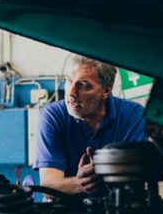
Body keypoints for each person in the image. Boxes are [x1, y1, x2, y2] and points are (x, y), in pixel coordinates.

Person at [33, 54, 148, 198]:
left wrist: (102, 174)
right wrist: (81, 184)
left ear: (106, 91)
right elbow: (49, 187)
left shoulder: (132, 115)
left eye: (83, 85)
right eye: (69, 80)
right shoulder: (53, 116)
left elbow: (136, 177)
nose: (72, 93)